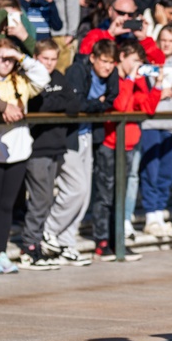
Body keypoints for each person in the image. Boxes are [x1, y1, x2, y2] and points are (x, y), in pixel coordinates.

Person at [0, 37, 50, 274]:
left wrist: (20, 57)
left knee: (7, 205)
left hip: (18, 150)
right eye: (1, 57)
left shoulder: (20, 80)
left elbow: (43, 77)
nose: (6, 62)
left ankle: (2, 251)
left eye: (10, 58)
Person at [42, 39, 119, 265]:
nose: (108, 67)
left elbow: (111, 100)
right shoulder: (77, 70)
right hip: (71, 136)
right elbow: (75, 104)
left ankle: (66, 242)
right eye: (104, 61)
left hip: (88, 136)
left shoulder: (111, 73)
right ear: (93, 58)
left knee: (84, 195)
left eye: (111, 62)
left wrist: (96, 102)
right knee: (76, 188)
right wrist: (98, 102)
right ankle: (49, 230)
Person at [91, 39, 161, 260]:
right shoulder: (115, 78)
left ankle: (118, 239)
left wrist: (157, 85)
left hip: (130, 144)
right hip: (111, 144)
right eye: (134, 61)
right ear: (122, 57)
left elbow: (147, 108)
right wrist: (131, 78)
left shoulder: (135, 80)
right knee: (106, 194)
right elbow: (120, 105)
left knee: (121, 195)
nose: (136, 65)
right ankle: (102, 241)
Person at [20, 40, 82, 269]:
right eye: (45, 59)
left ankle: (37, 243)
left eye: (53, 59)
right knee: (40, 198)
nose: (49, 63)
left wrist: (53, 103)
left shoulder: (58, 77)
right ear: (36, 58)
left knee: (46, 197)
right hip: (37, 148)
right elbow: (37, 105)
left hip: (56, 147)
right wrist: (58, 103)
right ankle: (30, 246)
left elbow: (74, 104)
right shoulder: (32, 79)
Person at [139, 24, 172, 237]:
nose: (166, 44)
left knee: (166, 174)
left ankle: (159, 214)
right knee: (151, 172)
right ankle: (150, 216)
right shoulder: (149, 64)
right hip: (151, 123)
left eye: (170, 40)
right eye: (163, 40)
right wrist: (159, 91)